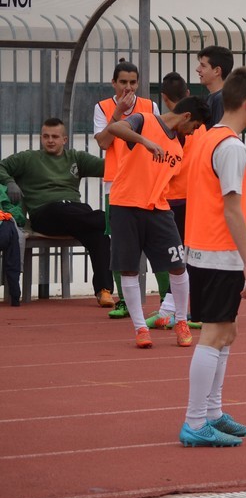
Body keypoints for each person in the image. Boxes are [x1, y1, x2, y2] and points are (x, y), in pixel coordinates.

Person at [179, 66, 246, 447]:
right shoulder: (232, 146)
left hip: (203, 249)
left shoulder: (208, 138)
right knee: (214, 335)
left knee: (226, 332)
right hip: (218, 253)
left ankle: (212, 413)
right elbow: (231, 209)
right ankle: (195, 421)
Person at [103, 97, 210, 349]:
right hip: (125, 205)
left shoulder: (180, 141)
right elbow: (115, 128)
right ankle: (140, 328)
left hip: (159, 209)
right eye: (195, 126)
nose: (193, 132)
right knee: (129, 269)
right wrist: (145, 141)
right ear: (186, 116)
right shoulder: (144, 120)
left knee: (178, 266)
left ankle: (181, 321)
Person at [0, 118, 114, 307]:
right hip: (45, 214)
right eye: (46, 136)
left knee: (99, 234)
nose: (50, 140)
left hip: (76, 214)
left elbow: (110, 167)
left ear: (65, 140)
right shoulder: (28, 158)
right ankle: (110, 219)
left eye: (54, 136)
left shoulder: (76, 158)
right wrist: (10, 182)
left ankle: (104, 291)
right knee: (65, 211)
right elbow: (1, 167)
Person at [93, 60, 164, 319]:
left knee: (158, 241)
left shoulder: (150, 106)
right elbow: (103, 143)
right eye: (123, 82)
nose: (128, 87)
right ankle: (123, 301)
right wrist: (118, 113)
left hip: (146, 183)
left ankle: (166, 300)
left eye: (133, 82)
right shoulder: (102, 107)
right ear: (114, 83)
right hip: (116, 184)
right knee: (119, 245)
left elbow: (159, 140)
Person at [145, 73, 203, 331]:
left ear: (164, 98)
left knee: (177, 258)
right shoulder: (201, 127)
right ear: (188, 93)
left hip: (171, 198)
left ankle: (172, 310)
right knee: (186, 256)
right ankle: (181, 309)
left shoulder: (165, 127)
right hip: (194, 197)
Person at [196, 45, 233, 128]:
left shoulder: (221, 99)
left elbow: (219, 132)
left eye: (203, 66)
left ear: (217, 71)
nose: (198, 69)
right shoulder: (213, 97)